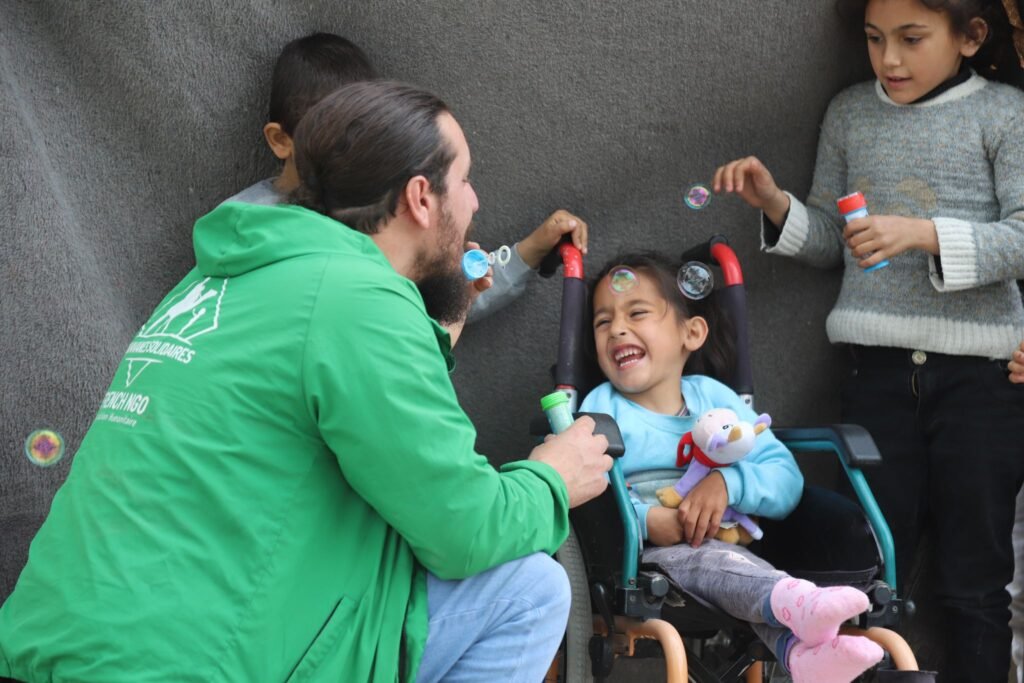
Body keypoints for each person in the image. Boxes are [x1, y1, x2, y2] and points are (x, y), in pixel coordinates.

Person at [0, 81, 614, 682]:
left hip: (48, 644)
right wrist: (553, 478)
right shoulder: (361, 301)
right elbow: (464, 529)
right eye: (467, 180)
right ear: (422, 198)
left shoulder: (220, 276)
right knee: (532, 590)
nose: (476, 202)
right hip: (184, 666)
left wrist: (442, 320)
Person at [713, 0, 1024, 679]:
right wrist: (775, 203)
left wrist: (921, 232)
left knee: (976, 582)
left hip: (983, 383)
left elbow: (1023, 237)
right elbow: (834, 240)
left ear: (971, 36)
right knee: (863, 577)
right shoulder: (851, 111)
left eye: (912, 39)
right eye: (875, 39)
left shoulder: (1004, 114)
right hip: (876, 377)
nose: (889, 59)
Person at [579, 252, 884, 683]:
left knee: (735, 570)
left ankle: (801, 655)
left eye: (637, 312)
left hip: (732, 548)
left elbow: (784, 477)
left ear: (692, 332)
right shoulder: (602, 408)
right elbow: (590, 491)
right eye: (602, 321)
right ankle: (797, 602)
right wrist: (647, 520)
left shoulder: (714, 399)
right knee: (722, 568)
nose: (618, 329)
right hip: (649, 557)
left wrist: (729, 481)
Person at [225, 32, 588, 327]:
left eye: (365, 138)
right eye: (325, 138)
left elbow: (442, 295)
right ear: (280, 139)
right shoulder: (241, 228)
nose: (350, 155)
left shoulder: (373, 216)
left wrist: (532, 249)